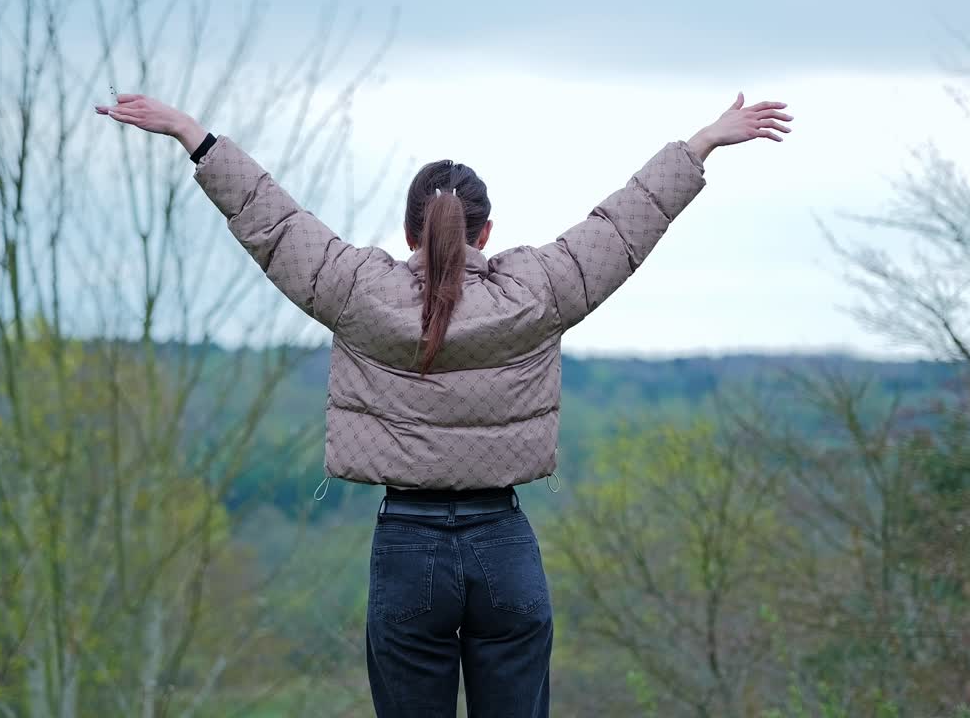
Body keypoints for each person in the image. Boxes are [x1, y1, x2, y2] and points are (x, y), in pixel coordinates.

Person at [97, 90, 791, 717]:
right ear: (485, 234)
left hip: (407, 549)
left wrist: (195, 136)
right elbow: (624, 226)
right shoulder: (536, 293)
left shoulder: (360, 293)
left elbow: (274, 223)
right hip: (505, 548)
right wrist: (701, 144)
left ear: (409, 235)